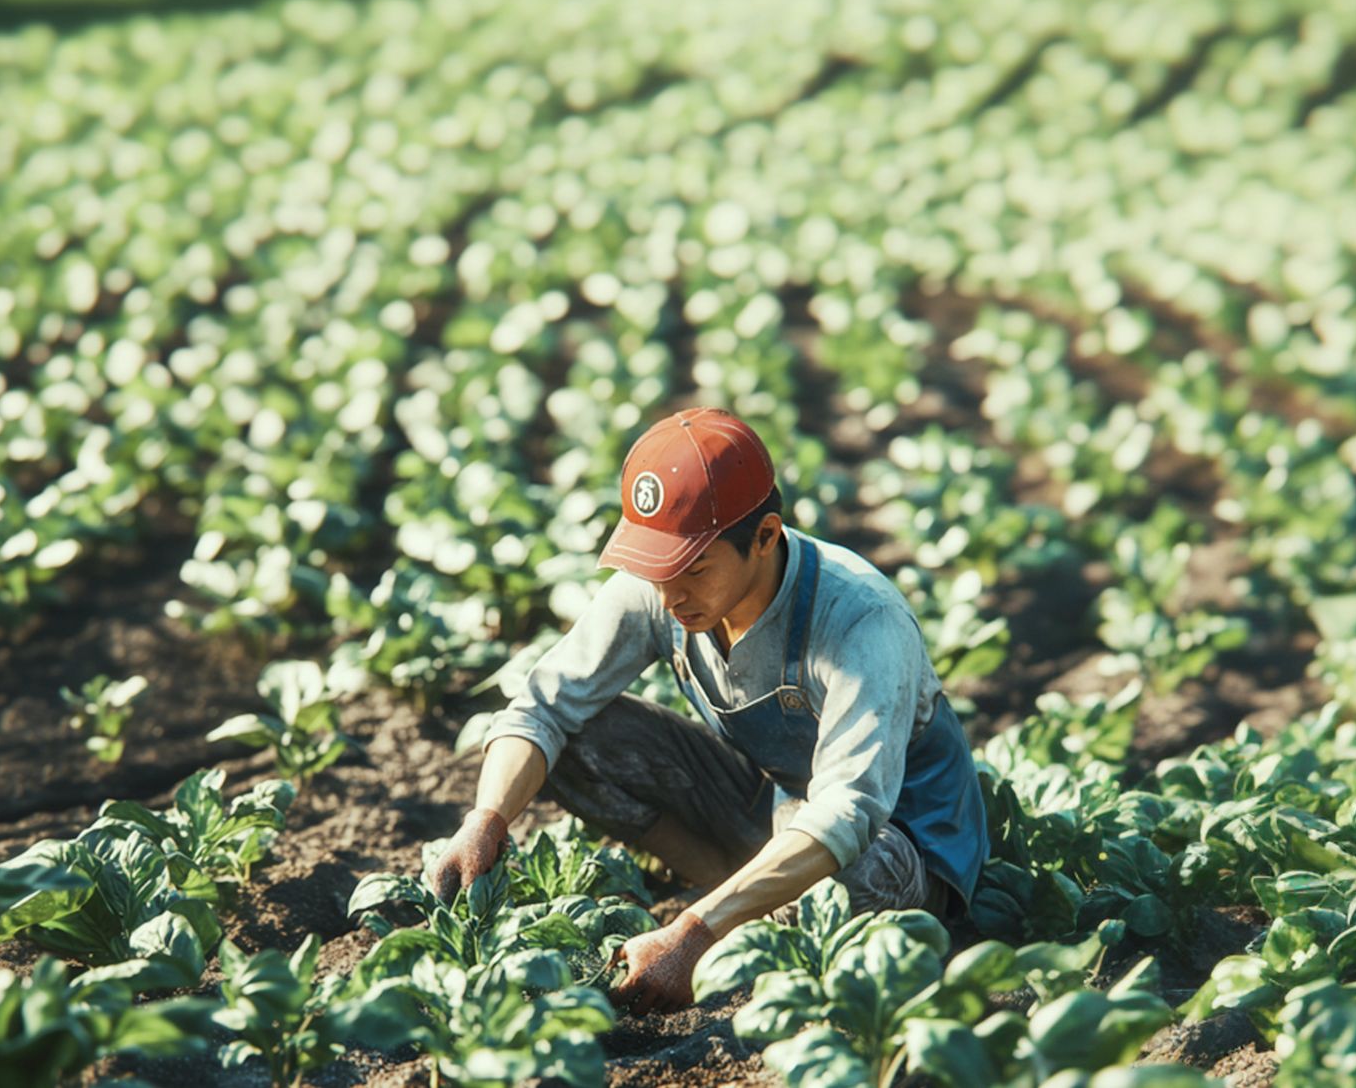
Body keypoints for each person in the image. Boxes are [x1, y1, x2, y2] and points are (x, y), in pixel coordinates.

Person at [424, 406, 989, 1014]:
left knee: (849, 876)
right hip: (777, 805)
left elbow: (849, 811)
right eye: (655, 567)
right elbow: (543, 706)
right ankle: (738, 898)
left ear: (766, 536)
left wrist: (695, 933)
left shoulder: (859, 620)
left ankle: (740, 919)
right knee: (581, 736)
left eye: (693, 569)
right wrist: (488, 817)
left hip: (901, 846)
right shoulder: (662, 585)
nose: (668, 597)